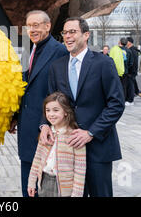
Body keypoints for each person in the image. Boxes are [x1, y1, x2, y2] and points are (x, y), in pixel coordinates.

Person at [42, 17, 124, 197]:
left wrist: (90, 133)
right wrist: (45, 125)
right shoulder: (57, 67)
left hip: (98, 147)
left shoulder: (103, 63)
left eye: (73, 32)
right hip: (67, 148)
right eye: (65, 33)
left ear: (86, 35)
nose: (67, 36)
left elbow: (116, 104)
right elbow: (51, 103)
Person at [10, 10, 68, 197]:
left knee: (44, 185)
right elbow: (26, 87)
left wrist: (46, 123)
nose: (32, 30)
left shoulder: (59, 51)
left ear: (48, 26)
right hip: (27, 127)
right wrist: (15, 117)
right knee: (28, 181)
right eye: (29, 26)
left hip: (45, 131)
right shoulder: (31, 49)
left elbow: (59, 93)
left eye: (36, 25)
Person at [28, 92, 86, 197]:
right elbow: (37, 159)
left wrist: (76, 194)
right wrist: (31, 183)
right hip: (44, 181)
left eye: (56, 110)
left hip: (65, 188)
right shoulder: (46, 133)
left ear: (66, 112)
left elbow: (80, 169)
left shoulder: (75, 136)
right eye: (47, 110)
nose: (51, 114)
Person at [119, 38, 133, 106]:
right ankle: (123, 100)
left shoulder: (117, 50)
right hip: (125, 71)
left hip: (118, 71)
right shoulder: (129, 51)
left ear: (119, 42)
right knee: (124, 86)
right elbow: (131, 63)